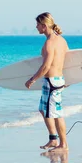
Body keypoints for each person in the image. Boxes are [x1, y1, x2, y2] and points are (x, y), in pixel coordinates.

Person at [25, 12, 69, 152]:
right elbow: (68, 60)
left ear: (44, 26)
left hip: (52, 82)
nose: (36, 27)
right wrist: (67, 78)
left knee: (56, 114)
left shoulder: (50, 43)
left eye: (38, 24)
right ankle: (53, 138)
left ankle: (63, 145)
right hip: (55, 81)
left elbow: (46, 66)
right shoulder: (61, 40)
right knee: (43, 109)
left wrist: (32, 79)